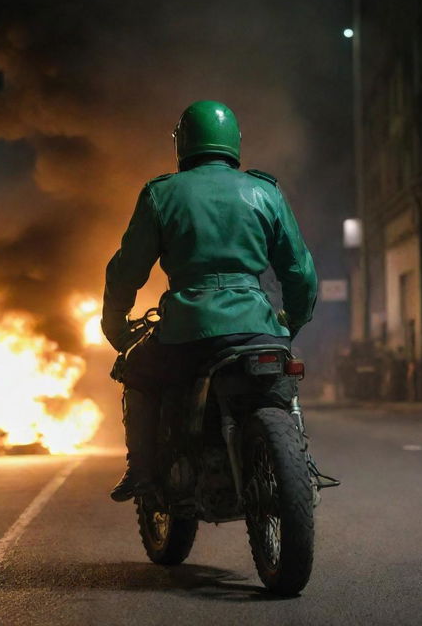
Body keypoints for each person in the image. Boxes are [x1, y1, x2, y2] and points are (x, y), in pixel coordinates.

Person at [102, 100, 318, 502]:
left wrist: (115, 324)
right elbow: (299, 271)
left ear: (182, 143)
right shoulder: (265, 191)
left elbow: (126, 270)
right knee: (279, 388)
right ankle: (303, 466)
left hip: (188, 330)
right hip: (257, 326)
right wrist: (290, 321)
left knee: (136, 371)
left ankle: (143, 472)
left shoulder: (161, 194)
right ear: (233, 141)